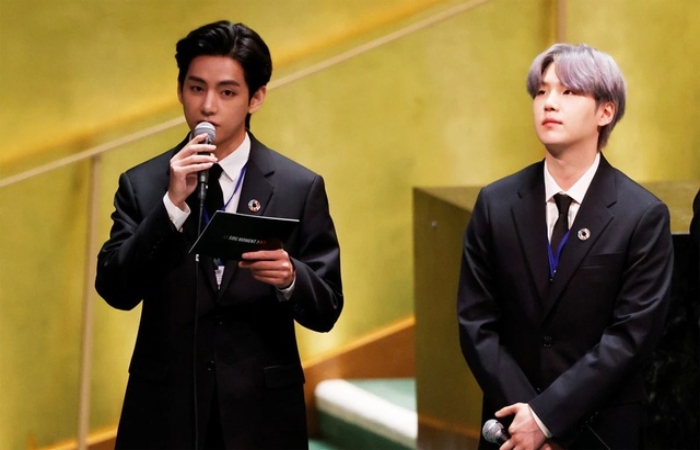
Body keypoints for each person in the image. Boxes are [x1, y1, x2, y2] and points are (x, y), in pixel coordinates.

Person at [95, 20, 343, 449]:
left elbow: (327, 309)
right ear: (180, 90)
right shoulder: (144, 185)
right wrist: (170, 207)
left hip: (262, 414)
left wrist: (290, 278)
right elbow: (115, 288)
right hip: (165, 412)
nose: (208, 106)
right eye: (196, 88)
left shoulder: (297, 187)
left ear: (256, 98)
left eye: (227, 92)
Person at [457, 43, 673, 449]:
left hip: (598, 433)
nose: (549, 103)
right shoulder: (495, 203)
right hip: (511, 431)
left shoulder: (641, 215)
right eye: (541, 91)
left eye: (568, 92)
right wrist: (526, 419)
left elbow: (630, 338)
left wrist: (546, 418)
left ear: (605, 112)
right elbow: (476, 324)